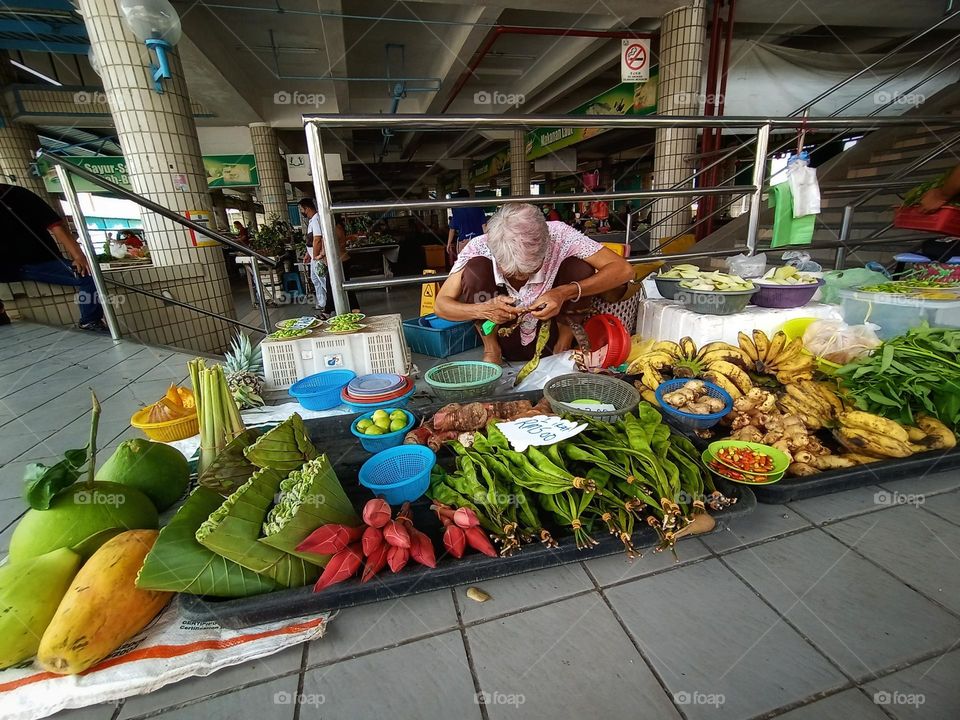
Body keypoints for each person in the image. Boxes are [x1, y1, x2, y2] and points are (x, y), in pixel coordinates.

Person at [434, 203, 634, 365]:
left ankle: (562, 345)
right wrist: (482, 310)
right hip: (503, 330)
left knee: (579, 267)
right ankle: (491, 349)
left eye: (529, 270)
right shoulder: (478, 246)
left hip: (552, 328)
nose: (521, 279)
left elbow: (624, 270)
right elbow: (441, 306)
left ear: (547, 244)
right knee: (475, 270)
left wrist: (564, 292)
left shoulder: (560, 235)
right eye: (512, 272)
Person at [0, 184, 105, 330]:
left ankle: (90, 321)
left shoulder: (16, 193)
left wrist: (79, 256)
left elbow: (55, 225)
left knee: (88, 275)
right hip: (8, 266)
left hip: (38, 261)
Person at [298, 197, 326, 311]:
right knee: (315, 280)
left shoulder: (316, 219)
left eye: (301, 209)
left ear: (307, 208)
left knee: (323, 280)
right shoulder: (311, 220)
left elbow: (317, 239)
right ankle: (322, 302)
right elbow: (310, 242)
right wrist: (308, 254)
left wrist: (315, 256)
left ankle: (333, 302)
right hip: (313, 257)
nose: (301, 212)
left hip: (318, 257)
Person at [447, 189, 487, 262]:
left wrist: (449, 243)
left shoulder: (457, 210)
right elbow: (484, 226)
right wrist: (488, 240)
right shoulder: (478, 208)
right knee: (481, 263)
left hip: (464, 242)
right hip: (478, 241)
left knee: (463, 266)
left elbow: (452, 229)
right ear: (469, 197)